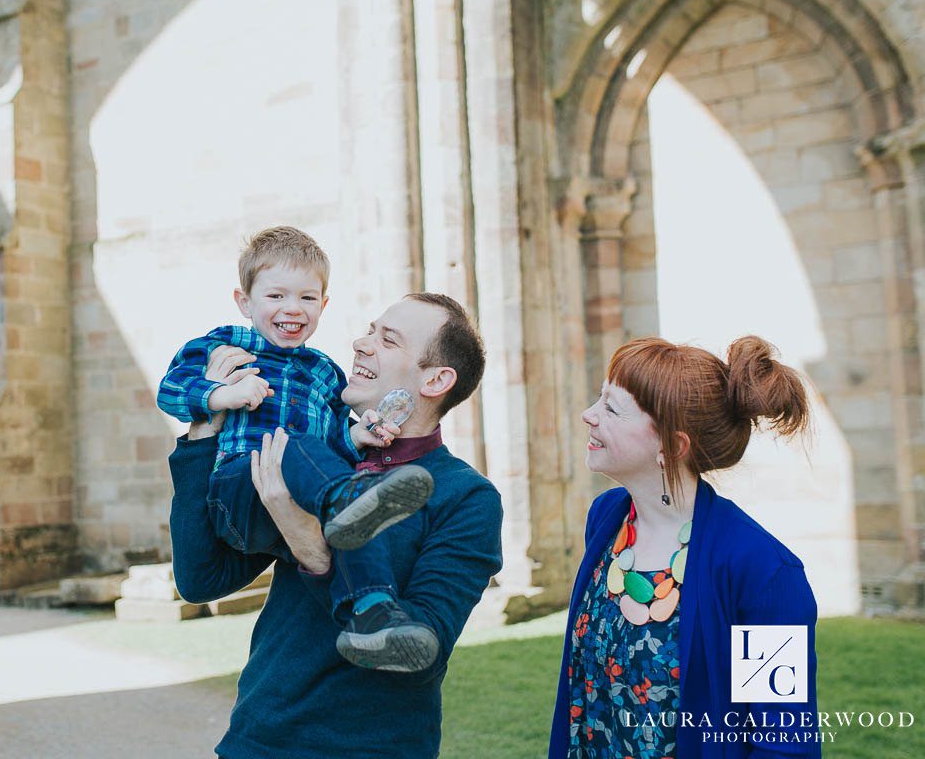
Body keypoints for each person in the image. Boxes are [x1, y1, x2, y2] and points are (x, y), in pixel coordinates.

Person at [168, 293, 503, 759]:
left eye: (387, 340)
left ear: (436, 379)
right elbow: (200, 578)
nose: (361, 344)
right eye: (370, 330)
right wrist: (204, 429)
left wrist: (309, 543)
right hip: (258, 739)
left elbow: (417, 656)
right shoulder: (322, 452)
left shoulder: (467, 498)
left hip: (370, 748)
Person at [157, 225, 439, 670]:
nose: (293, 309)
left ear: (323, 305)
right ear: (245, 302)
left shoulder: (325, 373)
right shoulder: (224, 345)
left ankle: (370, 616)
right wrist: (220, 395)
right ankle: (345, 500)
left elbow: (326, 443)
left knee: (345, 514)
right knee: (295, 451)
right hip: (239, 487)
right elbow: (171, 390)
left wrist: (353, 438)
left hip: (299, 501)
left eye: (307, 298)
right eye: (276, 297)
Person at [548, 336, 821, 758]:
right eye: (599, 399)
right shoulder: (605, 519)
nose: (588, 415)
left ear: (671, 446)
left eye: (611, 408)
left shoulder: (763, 572)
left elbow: (783, 744)